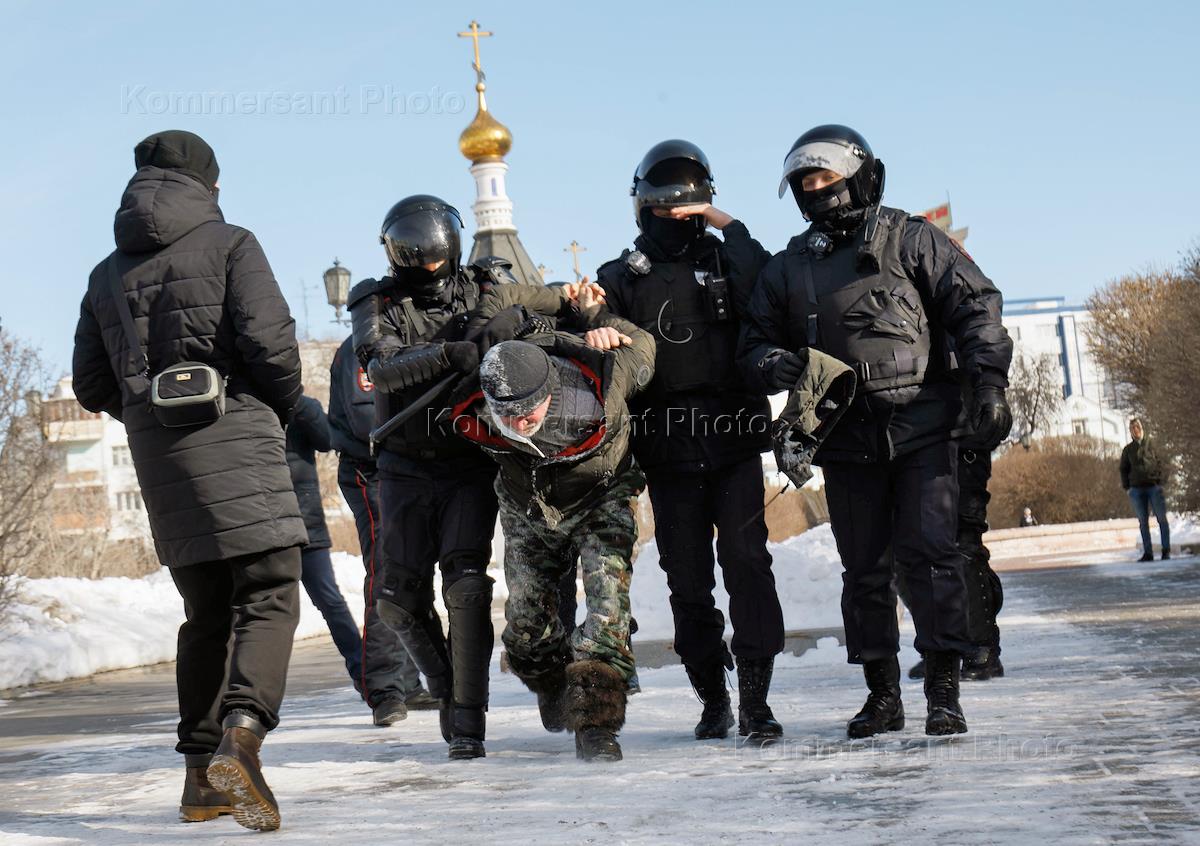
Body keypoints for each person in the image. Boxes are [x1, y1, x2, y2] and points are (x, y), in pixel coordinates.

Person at [739, 124, 1013, 738]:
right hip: (845, 438)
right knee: (863, 569)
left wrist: (989, 384)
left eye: (825, 176)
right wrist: (776, 365)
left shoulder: (913, 238)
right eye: (805, 181)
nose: (816, 189)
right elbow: (751, 345)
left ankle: (945, 689)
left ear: (859, 174)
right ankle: (881, 695)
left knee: (931, 556)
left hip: (923, 425)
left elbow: (977, 307)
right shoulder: (788, 267)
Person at [72, 130, 304, 831]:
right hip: (238, 443)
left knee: (205, 614)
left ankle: (201, 782)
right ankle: (243, 735)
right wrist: (288, 408)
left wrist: (150, 413)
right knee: (269, 591)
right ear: (210, 184)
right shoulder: (232, 243)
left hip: (162, 466)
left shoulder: (105, 275)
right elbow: (271, 346)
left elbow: (89, 386)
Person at [595, 140, 784, 743]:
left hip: (733, 441)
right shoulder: (619, 277)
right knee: (689, 582)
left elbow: (773, 287)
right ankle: (712, 697)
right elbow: (601, 348)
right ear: (642, 207)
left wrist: (728, 226)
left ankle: (756, 699)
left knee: (749, 564)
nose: (676, 221)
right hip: (667, 449)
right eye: (664, 209)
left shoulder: (730, 259)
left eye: (690, 208)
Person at [451, 283, 656, 761]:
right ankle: (549, 680)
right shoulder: (475, 403)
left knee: (607, 606)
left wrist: (596, 315)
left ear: (550, 390)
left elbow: (644, 344)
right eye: (506, 414)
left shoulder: (606, 377)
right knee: (526, 621)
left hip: (602, 494)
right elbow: (493, 300)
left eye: (529, 412)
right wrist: (548, 295)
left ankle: (598, 725)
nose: (519, 422)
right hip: (529, 504)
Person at [349, 195, 500, 760]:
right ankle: (446, 693)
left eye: (436, 255)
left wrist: (518, 319)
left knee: (465, 583)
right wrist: (446, 354)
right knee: (396, 600)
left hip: (468, 461)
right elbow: (380, 365)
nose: (429, 267)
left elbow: (533, 318)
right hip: (403, 465)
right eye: (416, 256)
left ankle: (469, 720)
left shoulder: (486, 285)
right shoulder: (375, 299)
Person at [328, 335, 439, 726]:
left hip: (413, 467)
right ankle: (385, 689)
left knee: (412, 572)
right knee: (387, 570)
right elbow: (365, 418)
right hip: (373, 468)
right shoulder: (364, 344)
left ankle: (407, 682)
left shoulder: (418, 335)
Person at [284, 392, 365, 695]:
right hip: (266, 528)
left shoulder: (300, 406)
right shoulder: (245, 406)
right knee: (260, 611)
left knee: (330, 601)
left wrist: (296, 402)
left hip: (307, 526)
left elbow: (326, 440)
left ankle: (362, 672)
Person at [1121, 418, 1170, 561]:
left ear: (1142, 428)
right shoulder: (1128, 450)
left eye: (1137, 426)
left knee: (1162, 519)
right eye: (1132, 428)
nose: (1135, 429)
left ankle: (1165, 551)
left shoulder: (1153, 445)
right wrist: (1127, 487)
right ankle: (1148, 553)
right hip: (1136, 489)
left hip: (1154, 487)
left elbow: (1163, 463)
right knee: (1143, 522)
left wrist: (1161, 482)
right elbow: (1124, 469)